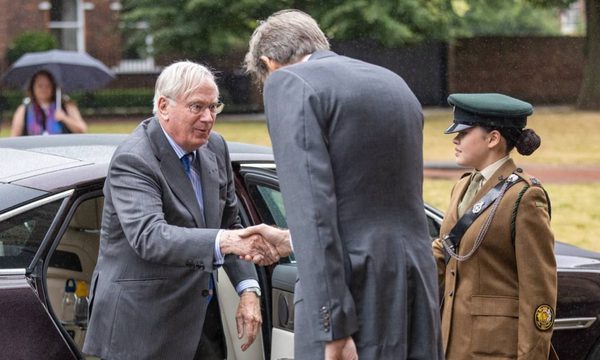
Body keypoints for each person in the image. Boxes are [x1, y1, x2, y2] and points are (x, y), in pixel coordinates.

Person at [242, 9, 443, 360]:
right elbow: (372, 200)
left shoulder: (289, 83)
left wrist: (331, 326)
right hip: (414, 282)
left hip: (349, 296)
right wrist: (293, 241)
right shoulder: (392, 82)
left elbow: (312, 208)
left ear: (268, 63)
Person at [83, 61, 278, 360]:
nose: (208, 118)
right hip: (142, 329)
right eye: (197, 107)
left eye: (214, 107)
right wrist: (224, 241)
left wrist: (249, 289)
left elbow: (232, 222)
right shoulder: (134, 159)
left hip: (200, 324)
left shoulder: (215, 148)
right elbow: (150, 236)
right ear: (163, 106)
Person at [431, 93, 558, 359]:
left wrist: (532, 356)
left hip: (496, 349)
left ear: (493, 139)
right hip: (453, 344)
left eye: (464, 133)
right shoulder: (462, 186)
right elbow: (445, 254)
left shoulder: (524, 197)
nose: (455, 140)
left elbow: (539, 292)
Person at [10, 70, 87, 136]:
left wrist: (64, 118)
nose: (44, 89)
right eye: (40, 86)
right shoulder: (24, 109)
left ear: (53, 87)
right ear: (32, 88)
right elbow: (15, 136)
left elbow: (82, 129)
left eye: (48, 85)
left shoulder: (66, 106)